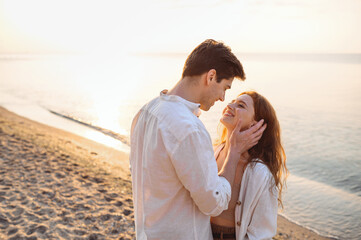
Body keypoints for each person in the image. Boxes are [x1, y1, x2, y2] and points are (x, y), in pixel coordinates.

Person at [129, 39, 266, 240]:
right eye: (225, 88)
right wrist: (234, 152)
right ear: (211, 76)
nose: (222, 98)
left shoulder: (146, 111)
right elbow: (214, 203)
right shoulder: (190, 129)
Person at [210, 91, 288, 240]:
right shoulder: (212, 153)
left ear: (256, 124)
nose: (229, 105)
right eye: (232, 101)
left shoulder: (260, 172)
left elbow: (262, 232)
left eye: (240, 105)